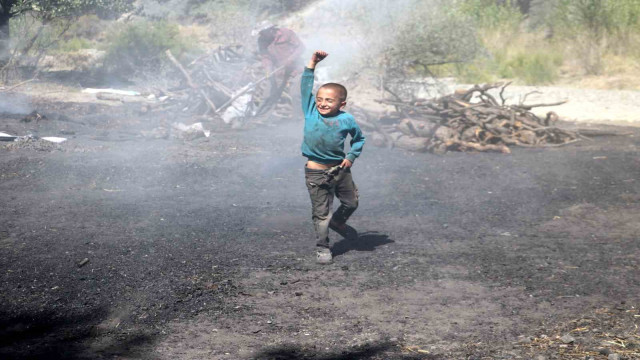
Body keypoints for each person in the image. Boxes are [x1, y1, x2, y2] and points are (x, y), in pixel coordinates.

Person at [300, 50, 365, 264]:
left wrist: (352, 156)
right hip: (316, 172)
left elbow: (359, 139)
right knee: (321, 212)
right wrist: (312, 64)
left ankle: (339, 222)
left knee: (351, 203)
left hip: (340, 170)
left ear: (342, 104)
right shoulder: (311, 112)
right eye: (320, 99)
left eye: (329, 100)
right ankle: (323, 247)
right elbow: (305, 86)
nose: (323, 103)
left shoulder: (347, 120)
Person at [253, 21, 305, 114]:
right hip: (279, 70)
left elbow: (301, 47)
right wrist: (268, 69)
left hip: (296, 68)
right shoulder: (262, 40)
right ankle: (260, 119)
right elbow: (265, 57)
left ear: (270, 30)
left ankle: (300, 120)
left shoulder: (286, 33)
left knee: (296, 94)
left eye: (262, 33)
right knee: (269, 95)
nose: (261, 35)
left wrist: (290, 59)